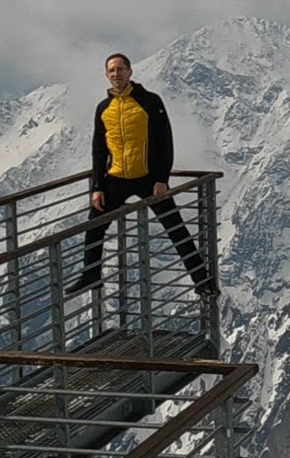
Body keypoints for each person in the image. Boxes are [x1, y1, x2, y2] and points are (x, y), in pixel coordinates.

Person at [65, 53, 218, 296]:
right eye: (112, 70)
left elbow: (165, 141)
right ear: (106, 75)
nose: (116, 74)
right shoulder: (104, 108)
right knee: (94, 226)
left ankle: (202, 281)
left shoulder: (149, 101)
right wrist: (97, 186)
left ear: (130, 72)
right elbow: (98, 149)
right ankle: (91, 275)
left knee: (175, 227)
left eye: (120, 69)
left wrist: (162, 179)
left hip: (148, 178)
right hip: (115, 178)